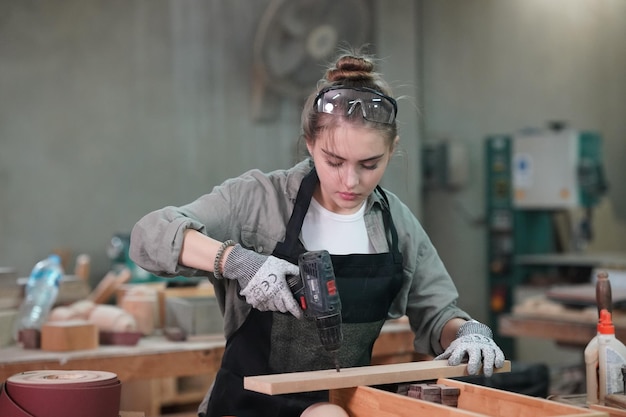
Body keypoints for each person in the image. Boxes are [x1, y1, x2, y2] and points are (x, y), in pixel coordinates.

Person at [129, 49, 505, 417]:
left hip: (339, 406)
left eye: (369, 164)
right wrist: (237, 261)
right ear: (310, 144)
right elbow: (150, 234)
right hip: (245, 405)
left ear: (392, 151)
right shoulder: (260, 200)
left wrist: (468, 333)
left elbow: (438, 314)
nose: (351, 180)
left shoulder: (396, 225)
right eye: (334, 161)